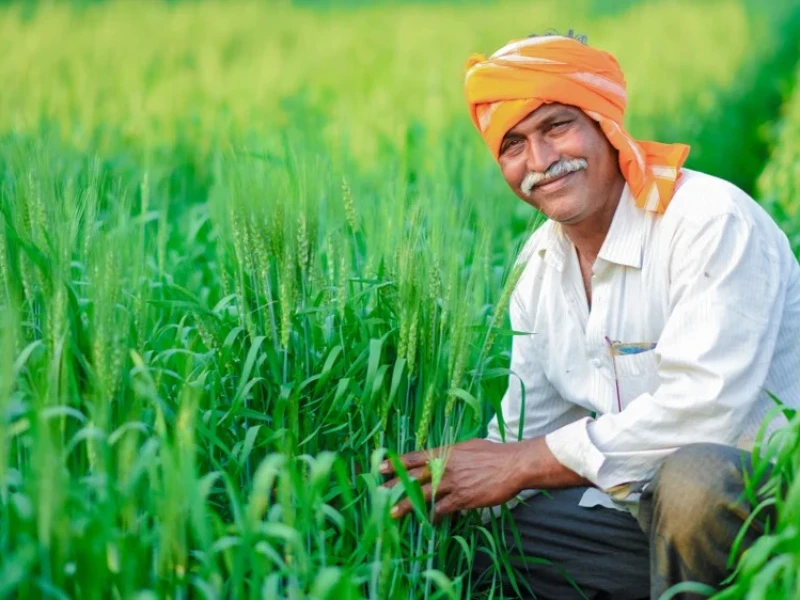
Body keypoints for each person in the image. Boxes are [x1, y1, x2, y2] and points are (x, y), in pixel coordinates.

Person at [379, 32, 800, 599]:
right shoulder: (538, 267)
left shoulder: (708, 222)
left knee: (694, 478)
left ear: (606, 122)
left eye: (556, 126)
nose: (541, 161)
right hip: (638, 517)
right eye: (513, 144)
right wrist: (454, 482)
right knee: (474, 540)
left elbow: (705, 415)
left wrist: (522, 464)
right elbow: (530, 426)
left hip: (766, 513)